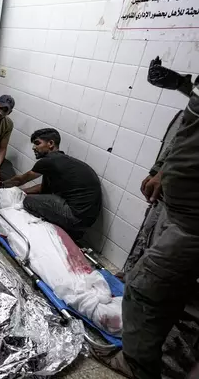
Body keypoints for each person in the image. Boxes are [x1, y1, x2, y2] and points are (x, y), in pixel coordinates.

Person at [91, 58, 199, 379]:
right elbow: (191, 136)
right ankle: (139, 351)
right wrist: (164, 172)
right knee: (163, 288)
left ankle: (137, 365)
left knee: (142, 288)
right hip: (175, 207)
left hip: (191, 222)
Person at [1, 128, 102, 240]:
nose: (34, 147)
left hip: (74, 216)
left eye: (37, 143)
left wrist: (1, 185)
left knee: (28, 201)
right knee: (34, 197)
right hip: (83, 221)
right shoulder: (60, 162)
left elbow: (20, 180)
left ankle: (42, 232)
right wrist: (21, 192)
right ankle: (71, 231)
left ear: (51, 144)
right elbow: (42, 188)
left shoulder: (48, 161)